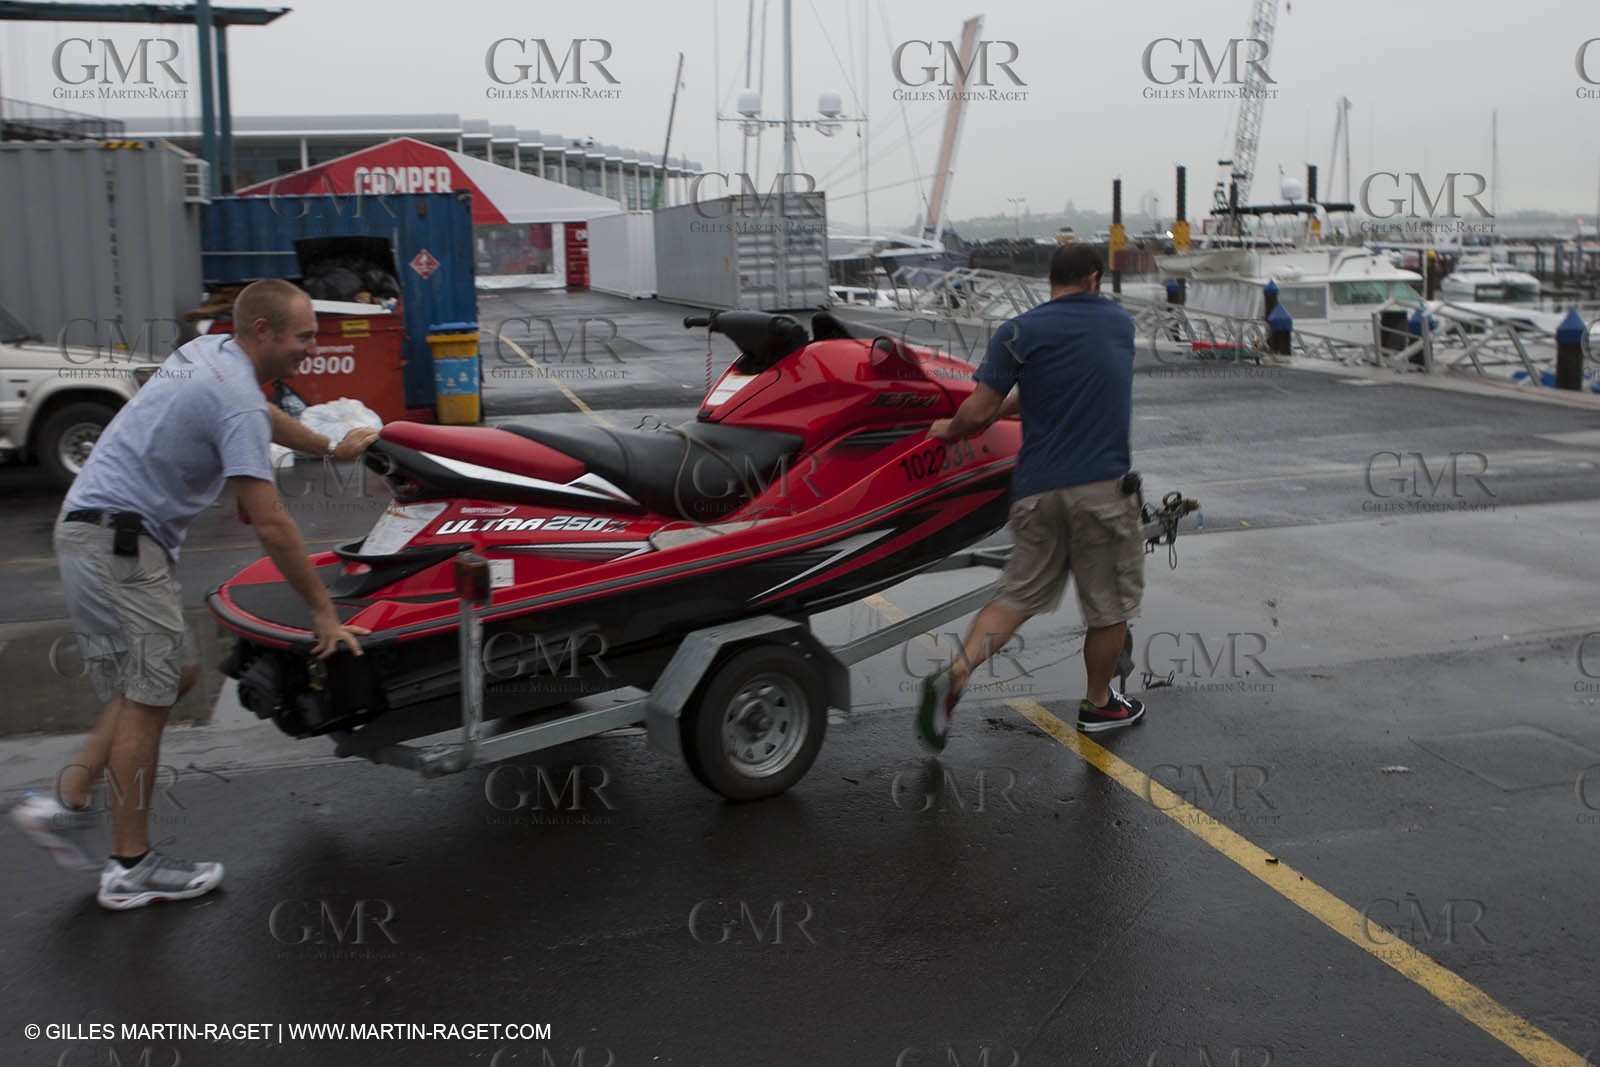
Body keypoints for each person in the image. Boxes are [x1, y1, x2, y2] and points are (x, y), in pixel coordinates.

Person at [11, 278, 380, 910]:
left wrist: (325, 445)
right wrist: (324, 612)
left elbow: (258, 417)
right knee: (151, 694)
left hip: (93, 532)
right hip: (120, 544)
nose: (312, 348)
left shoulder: (207, 352)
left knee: (160, 681)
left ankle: (68, 806)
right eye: (304, 336)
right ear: (262, 331)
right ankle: (130, 868)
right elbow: (269, 520)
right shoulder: (232, 393)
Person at [915, 244, 1146, 751]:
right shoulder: (1118, 325)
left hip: (1037, 492)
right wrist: (985, 414)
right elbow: (1080, 382)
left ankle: (956, 673)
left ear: (1050, 280)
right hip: (1101, 489)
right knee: (1108, 606)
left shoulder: (1017, 332)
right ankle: (1099, 702)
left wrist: (947, 429)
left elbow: (978, 413)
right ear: (1093, 279)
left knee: (1017, 595)